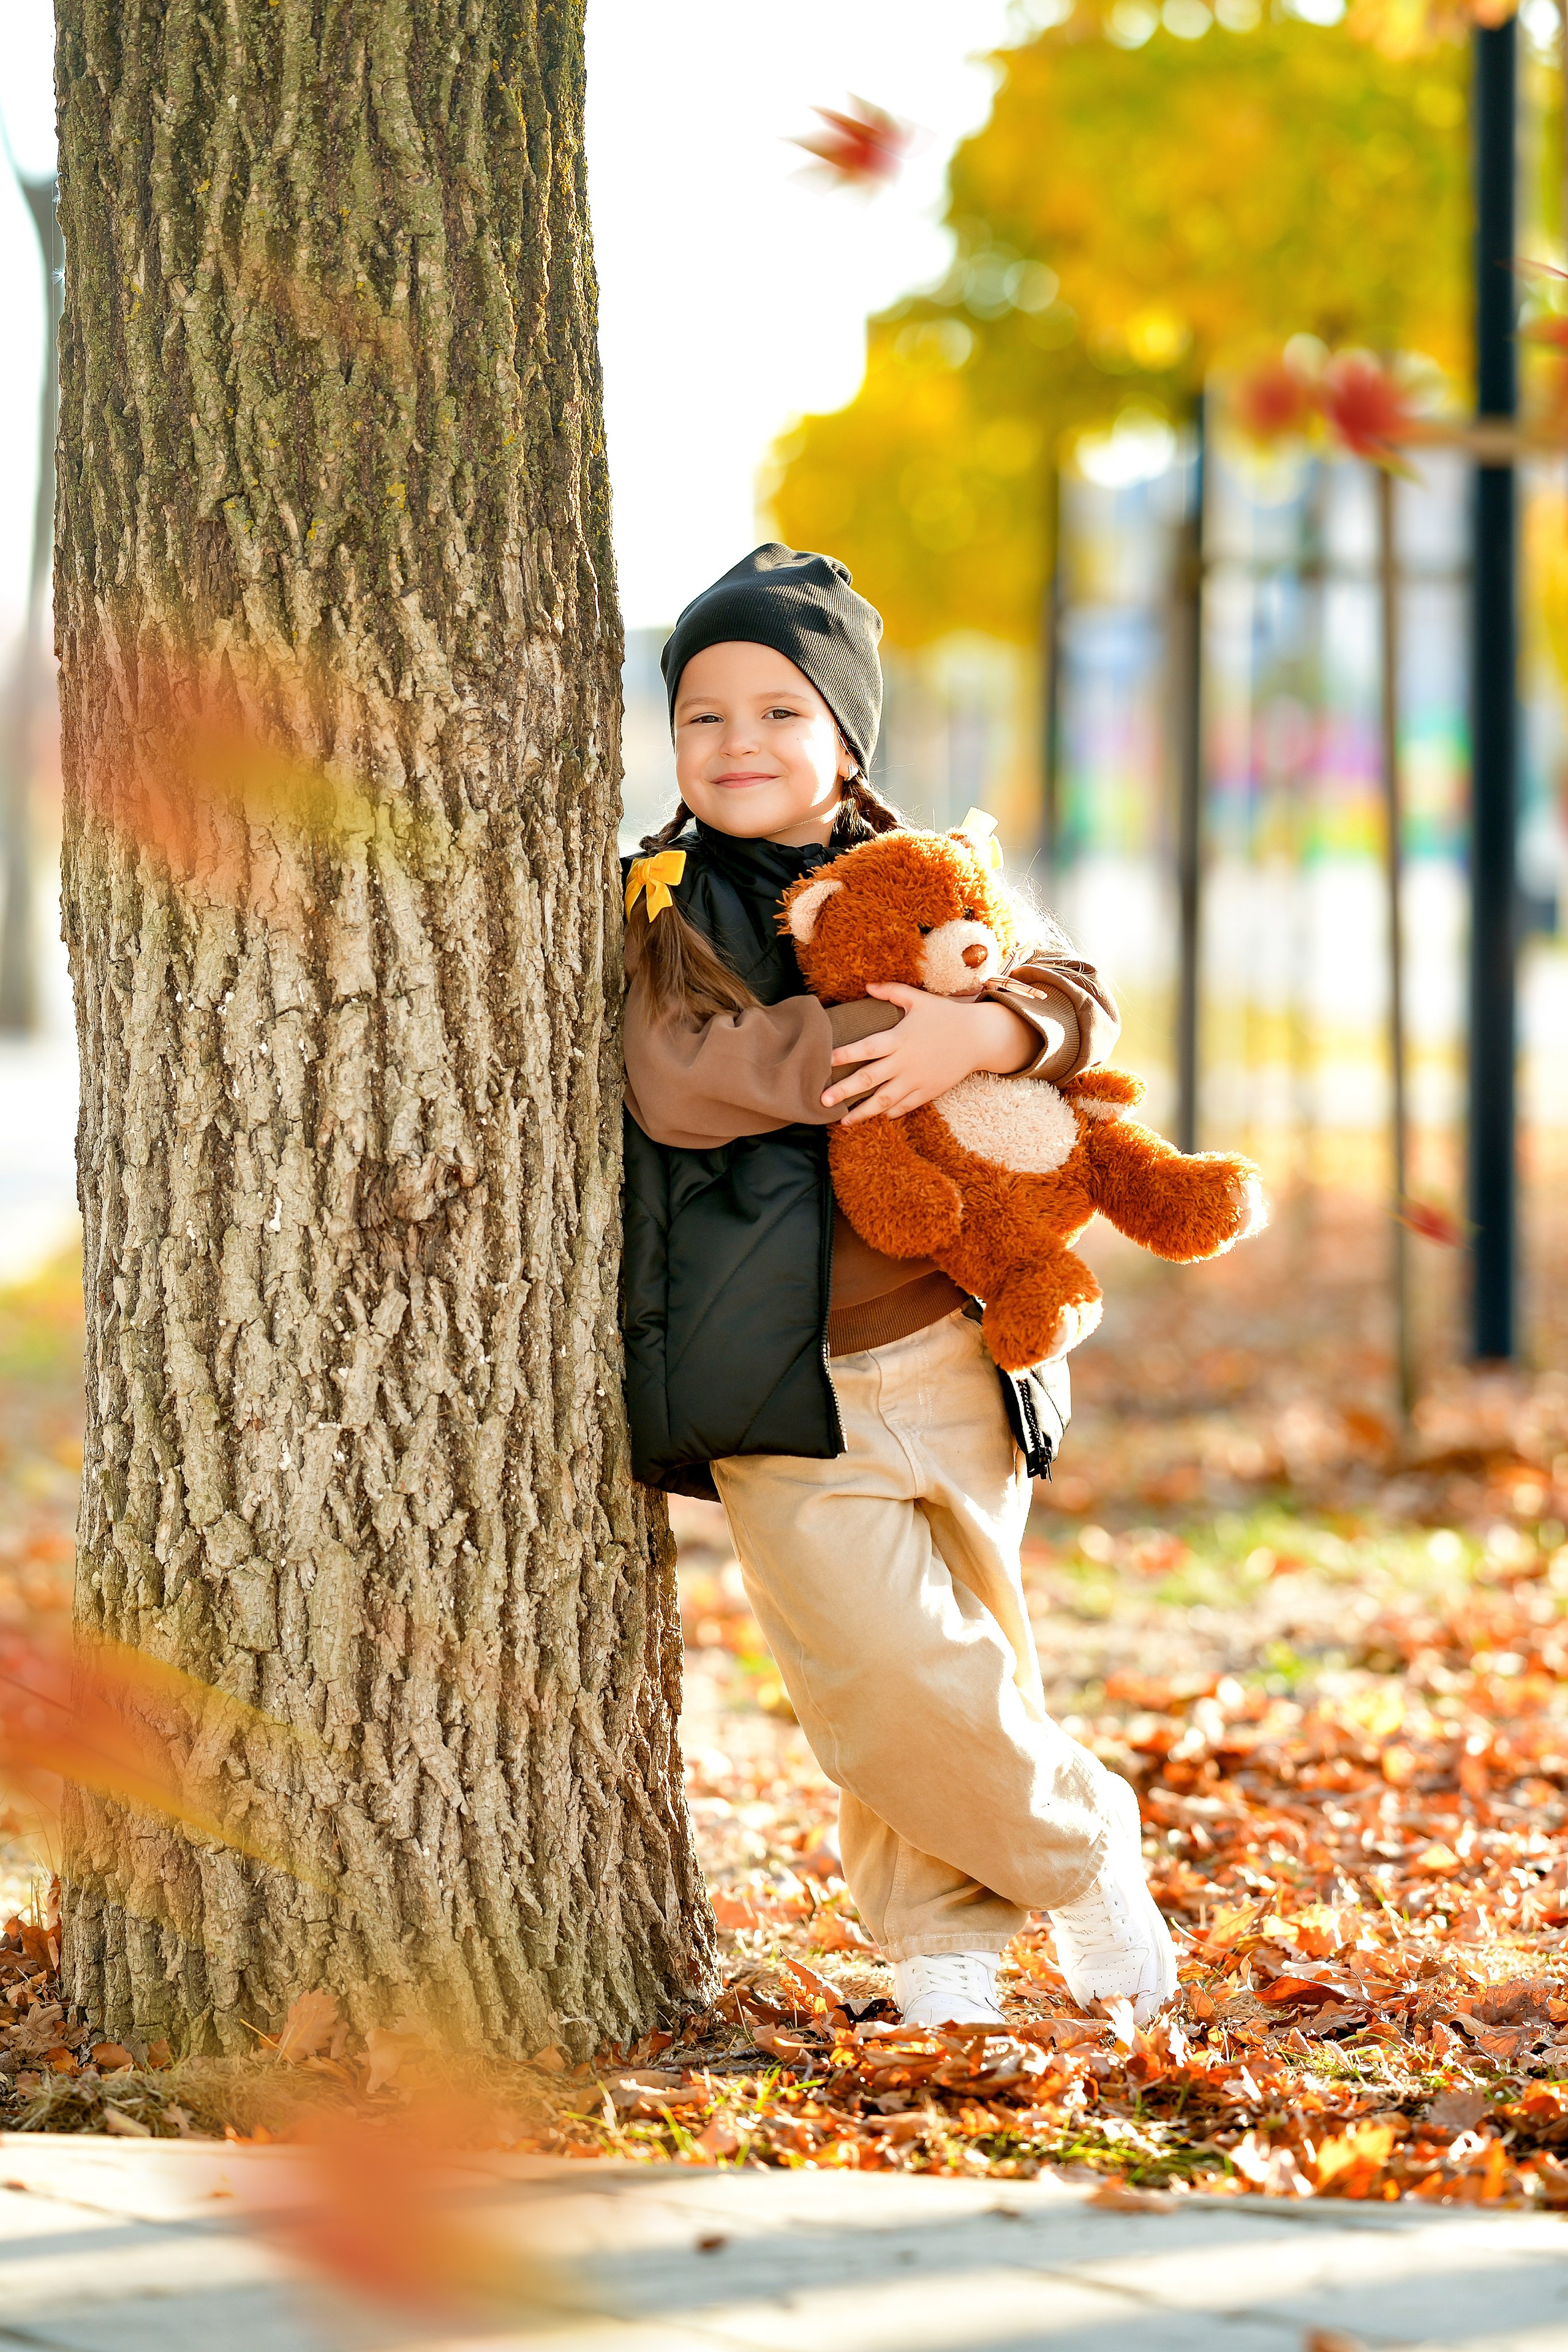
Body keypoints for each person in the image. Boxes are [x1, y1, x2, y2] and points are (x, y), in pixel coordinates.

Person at [620, 543, 1176, 2030]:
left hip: (965, 1342)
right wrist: (892, 1033)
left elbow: (1072, 989)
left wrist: (983, 1039)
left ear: (846, 736)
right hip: (777, 1367)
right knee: (882, 1680)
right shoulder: (663, 902)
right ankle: (1086, 1849)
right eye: (703, 718)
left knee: (968, 1658)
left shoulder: (938, 870)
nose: (738, 744)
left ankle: (945, 1964)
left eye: (778, 711)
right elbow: (678, 1080)